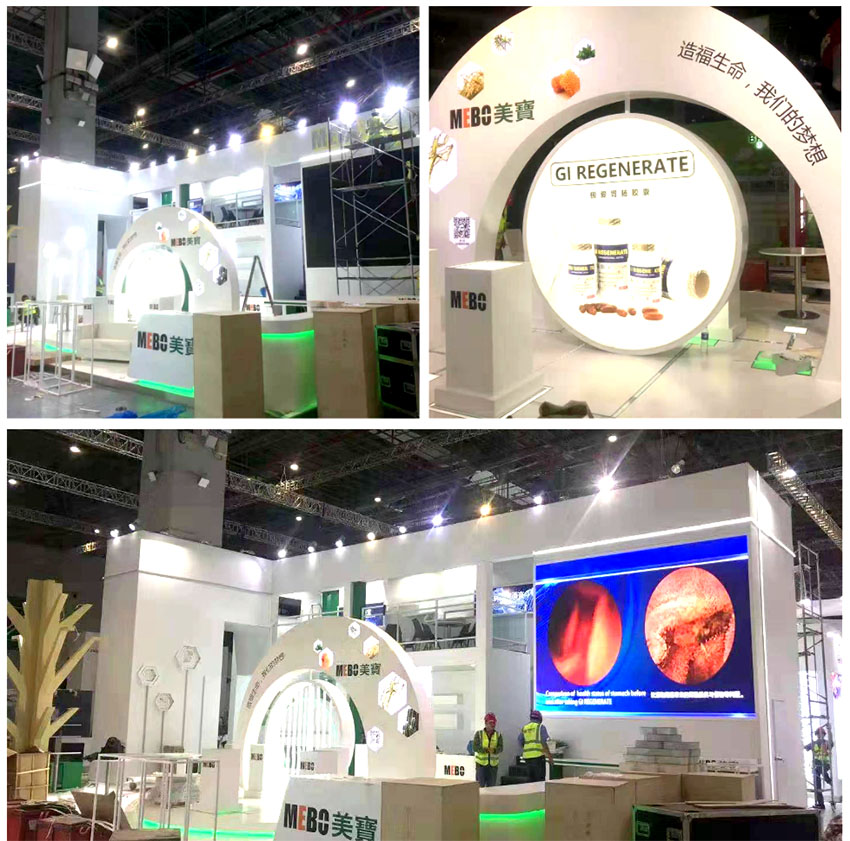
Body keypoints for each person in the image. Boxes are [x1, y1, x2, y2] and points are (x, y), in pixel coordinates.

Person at [519, 709, 553, 783]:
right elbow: (544, 742)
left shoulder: (525, 727)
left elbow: (520, 740)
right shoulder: (540, 727)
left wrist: (527, 748)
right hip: (538, 757)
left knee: (530, 780)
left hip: (527, 758)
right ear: (540, 718)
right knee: (539, 781)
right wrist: (549, 756)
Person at [805, 725, 832, 809]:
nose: (820, 735)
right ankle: (820, 804)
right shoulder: (814, 743)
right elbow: (804, 747)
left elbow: (831, 742)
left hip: (825, 764)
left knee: (821, 769)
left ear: (824, 734)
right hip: (816, 766)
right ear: (816, 735)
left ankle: (828, 779)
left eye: (821, 734)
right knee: (817, 785)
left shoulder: (827, 743)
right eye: (818, 734)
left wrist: (829, 730)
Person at [473, 712, 503, 787]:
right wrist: (485, 750)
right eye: (490, 723)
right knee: (480, 787)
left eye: (494, 723)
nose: (493, 725)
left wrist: (494, 750)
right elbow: (475, 747)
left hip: (493, 766)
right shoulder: (479, 734)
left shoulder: (498, 735)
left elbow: (501, 748)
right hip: (481, 765)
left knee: (491, 788)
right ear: (486, 723)